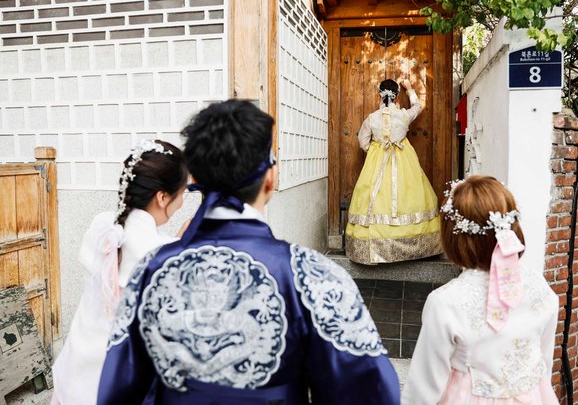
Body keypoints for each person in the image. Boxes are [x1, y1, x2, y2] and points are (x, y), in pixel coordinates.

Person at [97, 100, 399, 405]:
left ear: (196, 180)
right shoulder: (312, 276)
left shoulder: (151, 271)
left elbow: (117, 389)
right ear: (270, 178)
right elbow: (372, 393)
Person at [51, 140, 189, 405]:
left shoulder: (103, 227)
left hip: (76, 373)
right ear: (162, 197)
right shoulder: (162, 255)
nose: (183, 201)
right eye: (182, 193)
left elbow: (137, 249)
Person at [402, 175, 560, 405]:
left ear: (454, 237)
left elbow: (424, 387)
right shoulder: (541, 289)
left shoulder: (446, 302)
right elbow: (544, 361)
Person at [345, 78, 442, 264]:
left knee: (373, 198)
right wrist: (410, 89)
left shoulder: (372, 118)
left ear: (379, 95)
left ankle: (373, 249)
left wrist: (375, 150)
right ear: (397, 96)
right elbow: (418, 105)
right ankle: (414, 248)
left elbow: (363, 141)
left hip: (377, 162)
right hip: (404, 161)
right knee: (409, 195)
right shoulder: (405, 116)